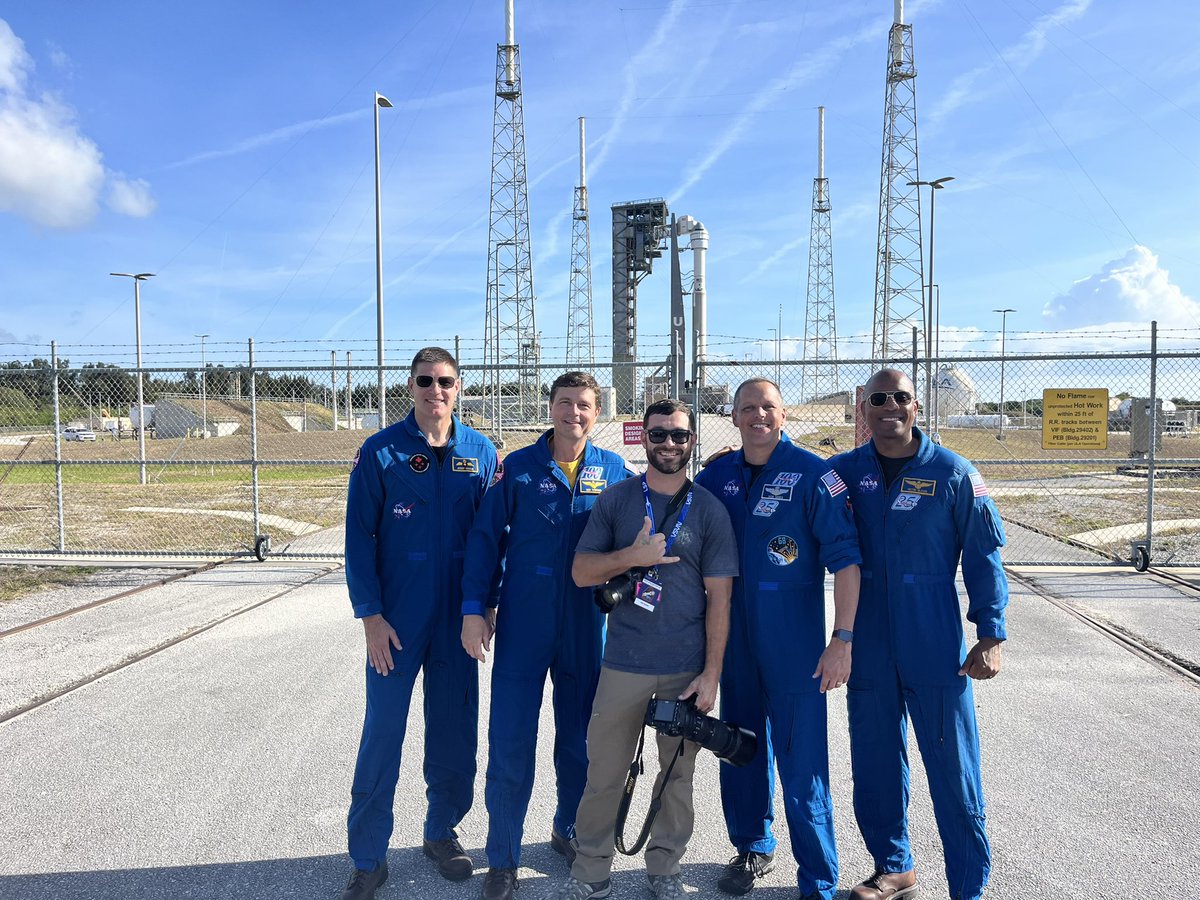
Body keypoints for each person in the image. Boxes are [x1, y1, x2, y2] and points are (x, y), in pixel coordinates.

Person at [831, 368, 1008, 900]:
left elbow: (983, 556)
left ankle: (968, 888)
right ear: (863, 407)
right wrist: (732, 462)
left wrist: (991, 631)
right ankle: (894, 866)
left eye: (901, 398)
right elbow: (793, 487)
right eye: (879, 398)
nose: (891, 406)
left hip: (934, 640)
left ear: (916, 406)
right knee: (875, 763)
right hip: (868, 640)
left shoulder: (955, 474)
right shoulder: (842, 474)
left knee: (954, 770)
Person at [555, 398, 739, 900]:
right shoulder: (616, 501)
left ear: (691, 440)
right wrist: (632, 557)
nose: (669, 444)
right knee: (605, 774)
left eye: (679, 435)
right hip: (623, 666)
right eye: (658, 435)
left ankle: (665, 867)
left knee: (676, 778)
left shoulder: (710, 510)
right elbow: (580, 572)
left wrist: (712, 673)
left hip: (684, 669)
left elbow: (720, 599)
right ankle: (591, 869)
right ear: (643, 439)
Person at [461, 371, 633, 900]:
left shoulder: (615, 471)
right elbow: (486, 540)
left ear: (596, 413)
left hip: (587, 622)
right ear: (550, 408)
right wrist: (475, 607)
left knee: (581, 738)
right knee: (511, 740)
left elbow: (630, 547)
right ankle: (503, 857)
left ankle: (569, 828)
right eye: (565, 403)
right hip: (527, 620)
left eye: (584, 405)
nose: (573, 414)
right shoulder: (516, 469)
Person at [340, 347, 499, 900]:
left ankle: (441, 831)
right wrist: (371, 617)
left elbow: (492, 537)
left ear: (460, 388)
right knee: (382, 732)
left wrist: (485, 607)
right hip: (397, 620)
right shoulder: (380, 452)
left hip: (459, 617)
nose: (437, 390)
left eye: (446, 381)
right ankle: (368, 857)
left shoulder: (480, 451)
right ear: (410, 386)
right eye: (426, 380)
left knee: (455, 731)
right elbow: (359, 539)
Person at [695, 378, 862, 900]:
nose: (758, 416)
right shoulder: (716, 474)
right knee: (739, 749)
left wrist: (843, 639)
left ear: (784, 414)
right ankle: (752, 846)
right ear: (735, 416)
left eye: (768, 407)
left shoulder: (817, 475)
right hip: (733, 640)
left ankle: (818, 876)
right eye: (748, 408)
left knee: (802, 758)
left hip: (795, 646)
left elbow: (847, 562)